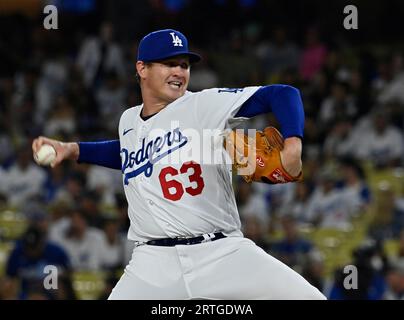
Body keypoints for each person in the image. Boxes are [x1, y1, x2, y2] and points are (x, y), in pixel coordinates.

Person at [32, 29, 326, 300]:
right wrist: (72, 149)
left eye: (184, 65)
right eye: (168, 63)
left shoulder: (201, 106)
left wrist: (293, 145)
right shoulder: (128, 121)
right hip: (151, 264)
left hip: (221, 253)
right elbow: (126, 151)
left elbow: (284, 93)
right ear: (142, 69)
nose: (178, 72)